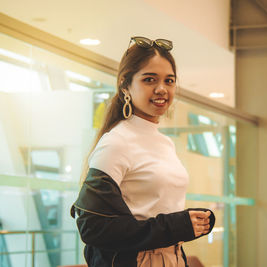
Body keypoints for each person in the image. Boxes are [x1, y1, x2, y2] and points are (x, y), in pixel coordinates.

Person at [71, 36, 215, 267]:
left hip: (173, 258)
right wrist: (177, 225)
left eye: (169, 81)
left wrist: (189, 223)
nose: (162, 89)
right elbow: (93, 227)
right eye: (149, 79)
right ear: (125, 85)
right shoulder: (116, 142)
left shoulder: (165, 143)